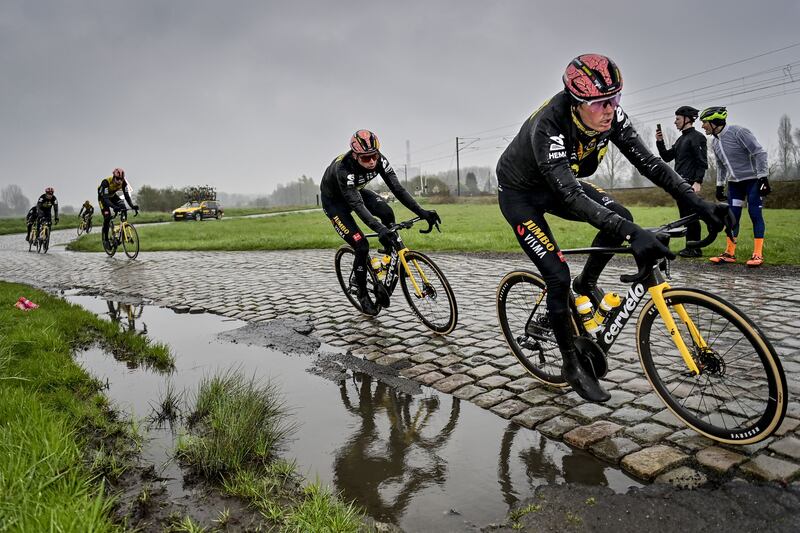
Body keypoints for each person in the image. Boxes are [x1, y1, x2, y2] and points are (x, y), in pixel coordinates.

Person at [496, 54, 725, 402]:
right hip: (520, 195)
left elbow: (650, 164)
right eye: (602, 102)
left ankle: (586, 282)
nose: (611, 108)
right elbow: (571, 196)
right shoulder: (550, 125)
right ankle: (572, 365)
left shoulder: (611, 116)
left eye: (616, 98)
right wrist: (633, 237)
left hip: (559, 183)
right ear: (577, 101)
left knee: (622, 215)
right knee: (557, 275)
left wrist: (700, 204)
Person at [320, 130, 441, 315]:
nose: (371, 162)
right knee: (361, 244)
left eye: (374, 156)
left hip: (356, 192)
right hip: (335, 204)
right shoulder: (344, 169)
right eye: (366, 158)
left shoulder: (379, 160)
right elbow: (358, 206)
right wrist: (379, 228)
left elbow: (398, 190)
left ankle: (387, 256)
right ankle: (361, 291)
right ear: (355, 155)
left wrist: (423, 212)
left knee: (387, 212)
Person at [700, 106, 769, 267]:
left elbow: (760, 153)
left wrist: (763, 178)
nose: (702, 126)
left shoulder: (738, 132)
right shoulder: (715, 142)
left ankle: (757, 254)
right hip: (734, 184)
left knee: (754, 213)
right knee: (731, 218)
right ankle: (729, 253)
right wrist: (719, 185)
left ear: (714, 121)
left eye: (704, 122)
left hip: (752, 181)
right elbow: (721, 166)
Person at [656, 106, 708, 257]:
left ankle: (695, 248)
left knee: (691, 216)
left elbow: (702, 162)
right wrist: (659, 141)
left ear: (687, 119)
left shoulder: (698, 137)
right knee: (685, 217)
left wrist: (698, 181)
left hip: (691, 182)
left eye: (678, 119)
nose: (675, 122)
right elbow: (666, 157)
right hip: (680, 183)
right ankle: (690, 247)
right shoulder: (681, 139)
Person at [97, 168, 139, 245]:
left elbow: (127, 196)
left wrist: (132, 206)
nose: (119, 181)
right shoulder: (106, 182)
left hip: (112, 196)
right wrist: (114, 207)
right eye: (117, 178)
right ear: (113, 177)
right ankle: (106, 240)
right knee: (107, 217)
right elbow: (106, 199)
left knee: (123, 206)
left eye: (121, 179)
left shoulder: (124, 183)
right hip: (103, 198)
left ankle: (123, 228)